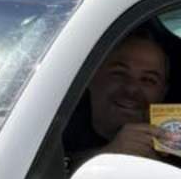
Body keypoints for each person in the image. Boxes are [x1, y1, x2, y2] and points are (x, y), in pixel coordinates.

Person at [64, 31, 172, 164]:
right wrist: (106, 156)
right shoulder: (53, 131)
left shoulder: (177, 143)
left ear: (162, 93)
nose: (131, 88)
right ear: (90, 79)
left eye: (148, 80)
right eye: (119, 73)